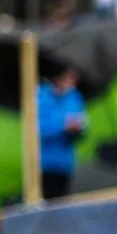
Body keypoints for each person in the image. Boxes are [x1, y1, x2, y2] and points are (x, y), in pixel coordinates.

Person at [36, 63, 88, 200]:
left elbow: (84, 125)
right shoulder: (40, 96)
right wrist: (63, 126)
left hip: (65, 163)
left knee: (61, 201)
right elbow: (37, 129)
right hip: (44, 164)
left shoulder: (75, 97)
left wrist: (78, 130)